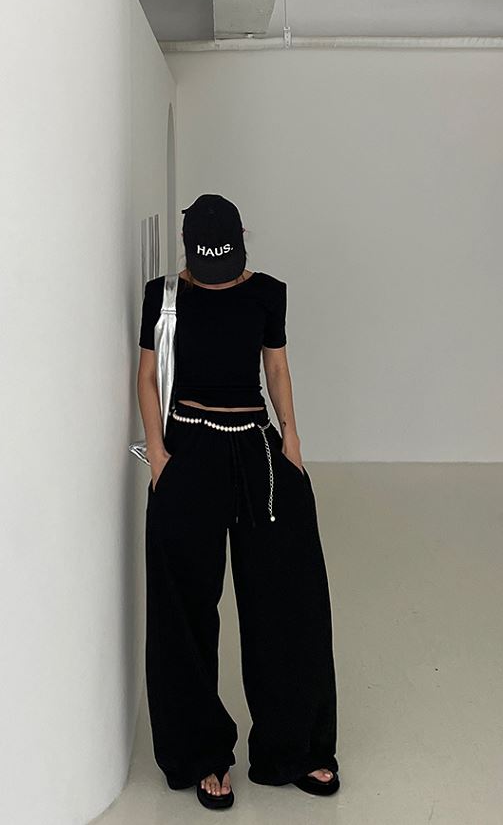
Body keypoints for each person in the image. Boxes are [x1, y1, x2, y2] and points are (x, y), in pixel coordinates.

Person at [137, 193, 340, 810]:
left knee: (287, 598)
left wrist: (292, 440)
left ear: (242, 242)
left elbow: (276, 369)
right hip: (188, 449)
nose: (216, 278)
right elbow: (147, 375)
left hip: (256, 448)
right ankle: (202, 752)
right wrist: (158, 455)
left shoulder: (267, 293)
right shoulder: (162, 297)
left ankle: (293, 746)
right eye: (206, 267)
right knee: (184, 607)